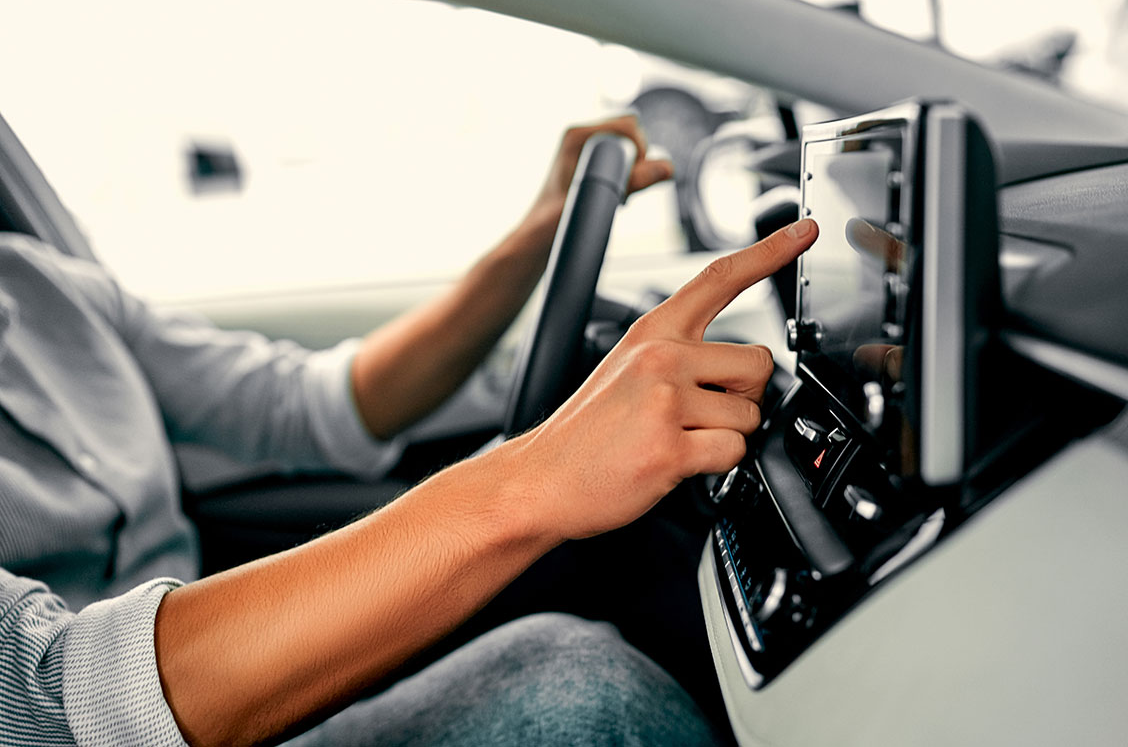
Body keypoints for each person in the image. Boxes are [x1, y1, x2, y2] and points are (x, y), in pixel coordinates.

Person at [0, 112, 820, 746]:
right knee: (581, 690)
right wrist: (532, 481)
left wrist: (539, 234)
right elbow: (58, 706)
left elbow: (315, 407)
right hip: (163, 720)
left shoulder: (44, 288)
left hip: (230, 686)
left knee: (627, 547)